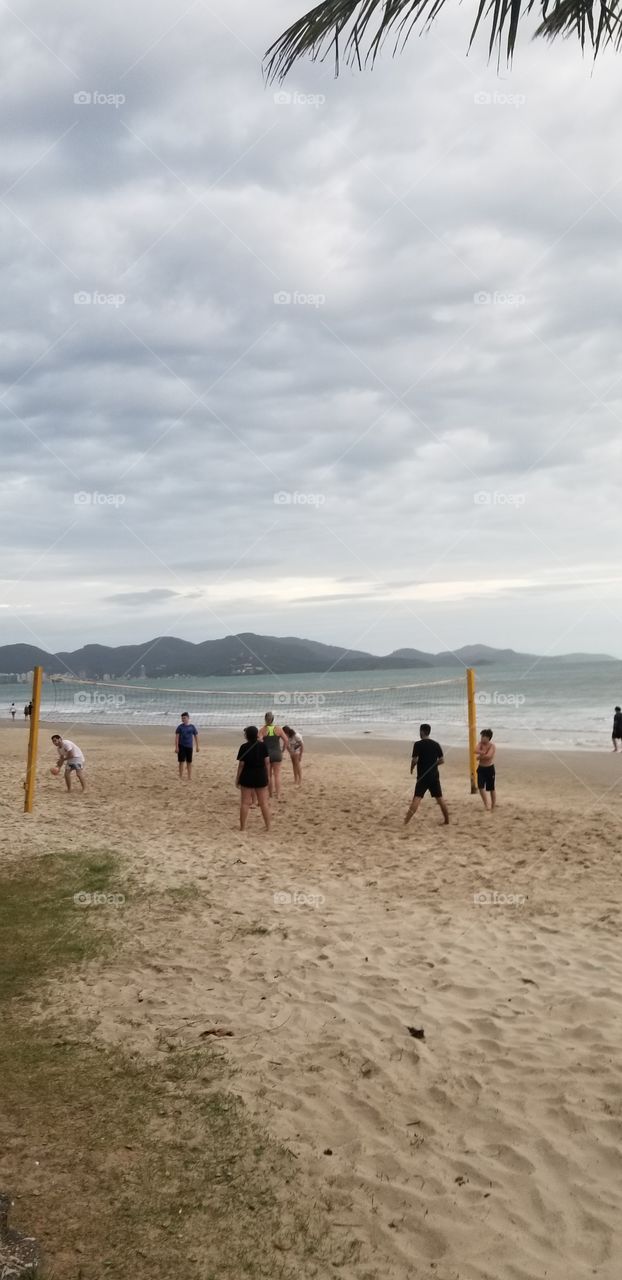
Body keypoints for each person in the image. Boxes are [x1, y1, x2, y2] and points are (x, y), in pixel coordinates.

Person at [404, 723, 449, 826]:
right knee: (440, 799)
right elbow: (442, 760)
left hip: (422, 776)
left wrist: (411, 768)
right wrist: (434, 764)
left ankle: (405, 822)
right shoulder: (436, 744)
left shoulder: (418, 744)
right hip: (434, 776)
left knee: (417, 799)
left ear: (422, 732)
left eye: (420, 731)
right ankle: (447, 820)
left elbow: (415, 760)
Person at [236, 726, 270, 831]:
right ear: (256, 734)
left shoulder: (243, 747)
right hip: (260, 775)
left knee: (245, 803)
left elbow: (241, 764)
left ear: (247, 735)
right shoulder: (263, 746)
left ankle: (242, 827)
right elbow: (267, 762)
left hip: (247, 775)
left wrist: (237, 778)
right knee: (263, 803)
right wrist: (267, 775)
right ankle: (268, 826)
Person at [258, 712, 287, 800]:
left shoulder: (262, 730)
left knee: (268, 775)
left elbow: (260, 741)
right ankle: (278, 795)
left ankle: (270, 794)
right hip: (277, 753)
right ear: (273, 719)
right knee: (277, 775)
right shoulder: (278, 729)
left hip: (267, 755)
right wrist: (283, 750)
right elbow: (286, 740)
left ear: (265, 719)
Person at [476, 728, 496, 810]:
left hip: (489, 769)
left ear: (488, 738)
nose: (481, 738)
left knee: (491, 788)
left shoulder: (492, 745)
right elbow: (475, 750)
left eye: (483, 736)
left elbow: (489, 756)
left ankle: (493, 805)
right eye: (481, 736)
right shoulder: (480, 744)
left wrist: (480, 756)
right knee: (480, 787)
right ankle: (486, 804)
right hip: (481, 768)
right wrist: (483, 753)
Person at [175, 712, 199, 780]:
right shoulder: (180, 727)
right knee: (181, 762)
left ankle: (189, 777)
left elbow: (196, 736)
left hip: (189, 747)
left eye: (184, 718)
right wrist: (176, 747)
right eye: (182, 718)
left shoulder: (192, 727)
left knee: (189, 762)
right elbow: (177, 738)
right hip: (181, 746)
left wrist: (197, 746)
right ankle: (180, 776)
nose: (183, 719)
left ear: (188, 718)